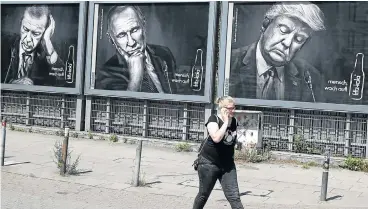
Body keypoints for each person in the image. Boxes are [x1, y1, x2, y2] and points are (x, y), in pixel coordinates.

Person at [230, 2, 326, 103]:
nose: (287, 43)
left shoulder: (311, 77)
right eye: (283, 30)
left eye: (298, 39)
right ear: (265, 24)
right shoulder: (230, 62)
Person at [95, 5, 177, 94]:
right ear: (112, 39)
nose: (131, 42)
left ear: (143, 25)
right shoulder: (106, 73)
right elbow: (122, 107)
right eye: (122, 35)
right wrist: (135, 78)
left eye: (134, 30)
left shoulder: (164, 53)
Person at [193, 96, 244, 209]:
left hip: (227, 165)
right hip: (209, 163)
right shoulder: (213, 119)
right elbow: (216, 138)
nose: (233, 110)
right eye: (230, 108)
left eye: (234, 108)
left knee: (234, 197)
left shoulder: (234, 121)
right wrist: (225, 122)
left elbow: (231, 139)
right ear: (223, 109)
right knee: (203, 195)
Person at [1, 5, 65, 86]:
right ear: (20, 23)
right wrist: (10, 84)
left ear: (45, 32)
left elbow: (65, 83)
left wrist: (48, 46)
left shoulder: (50, 51)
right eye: (25, 29)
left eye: (36, 33)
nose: (28, 39)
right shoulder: (3, 43)